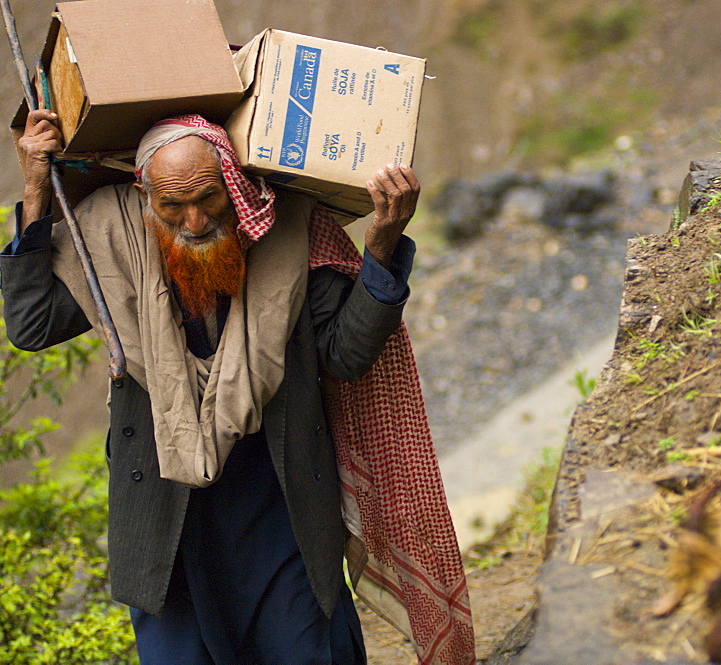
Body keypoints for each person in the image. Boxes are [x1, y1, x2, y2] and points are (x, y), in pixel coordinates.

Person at [0, 109, 428, 664]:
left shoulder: (289, 231)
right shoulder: (111, 239)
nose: (195, 221)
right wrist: (34, 190)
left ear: (236, 183)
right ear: (143, 195)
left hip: (276, 495)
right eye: (172, 206)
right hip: (164, 502)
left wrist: (382, 249)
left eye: (209, 198)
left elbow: (345, 357)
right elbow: (31, 326)